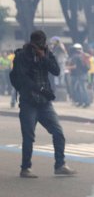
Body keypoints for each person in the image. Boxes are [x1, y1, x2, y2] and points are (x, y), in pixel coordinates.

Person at [9, 30, 76, 178]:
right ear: (32, 42)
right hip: (29, 101)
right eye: (37, 43)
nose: (39, 45)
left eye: (42, 43)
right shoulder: (22, 55)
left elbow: (56, 71)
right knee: (28, 137)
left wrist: (43, 57)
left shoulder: (46, 53)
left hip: (44, 103)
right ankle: (25, 168)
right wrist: (40, 90)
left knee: (58, 132)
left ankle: (60, 165)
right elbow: (23, 79)